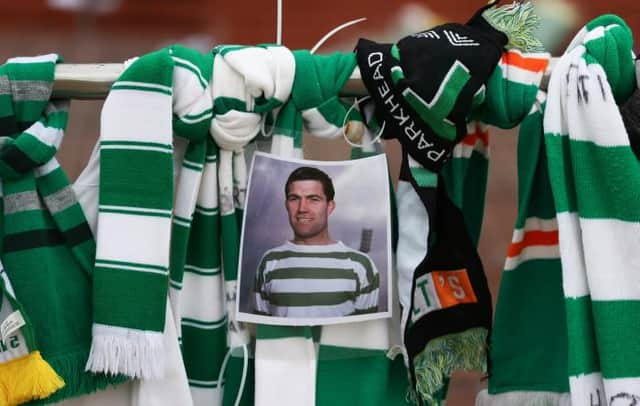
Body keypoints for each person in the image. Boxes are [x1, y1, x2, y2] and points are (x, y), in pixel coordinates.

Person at [253, 166, 380, 318]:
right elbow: (262, 332)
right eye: (294, 199)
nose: (302, 208)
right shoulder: (269, 262)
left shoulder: (361, 265)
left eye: (313, 199)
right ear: (287, 205)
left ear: (330, 207)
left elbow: (366, 335)